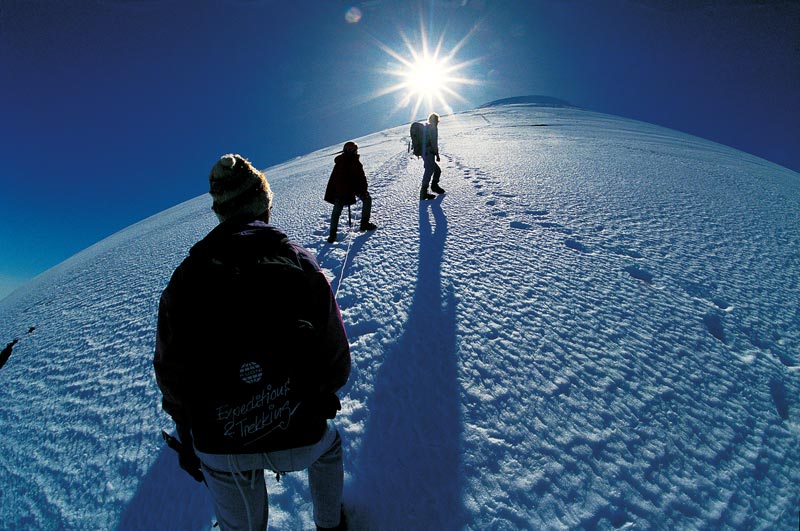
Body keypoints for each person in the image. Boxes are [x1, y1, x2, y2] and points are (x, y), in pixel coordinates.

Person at [154, 154, 351, 531]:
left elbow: (170, 370)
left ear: (221, 212)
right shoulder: (298, 260)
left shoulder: (186, 277)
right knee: (327, 450)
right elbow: (335, 353)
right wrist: (322, 394)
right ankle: (331, 526)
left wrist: (186, 427)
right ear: (264, 205)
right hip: (299, 426)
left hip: (219, 440)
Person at [324, 141, 377, 243]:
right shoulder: (350, 161)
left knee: (336, 211)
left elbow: (359, 177)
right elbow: (360, 177)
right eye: (354, 150)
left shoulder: (342, 161)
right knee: (366, 199)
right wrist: (363, 190)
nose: (355, 151)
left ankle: (332, 234)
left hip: (343, 189)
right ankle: (364, 223)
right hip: (346, 189)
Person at [420, 113, 445, 200]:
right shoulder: (433, 128)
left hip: (425, 153)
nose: (438, 122)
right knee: (429, 171)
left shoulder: (426, 127)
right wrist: (437, 154)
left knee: (437, 170)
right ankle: (423, 192)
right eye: (437, 121)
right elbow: (434, 142)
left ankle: (434, 187)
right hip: (429, 153)